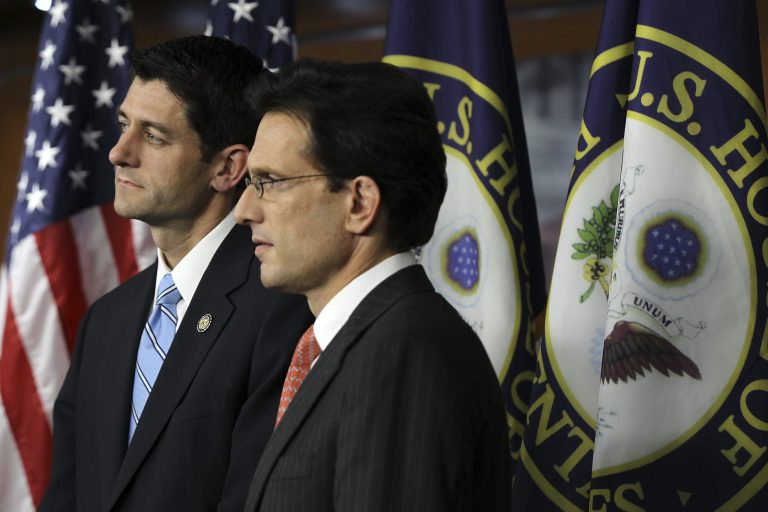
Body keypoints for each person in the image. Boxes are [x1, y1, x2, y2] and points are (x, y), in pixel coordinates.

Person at [39, 36, 312, 512]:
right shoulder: (106, 320)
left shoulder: (283, 306)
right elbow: (67, 494)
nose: (118, 153)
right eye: (123, 125)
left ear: (228, 168)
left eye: (153, 136)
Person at [235, 59, 511, 512]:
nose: (244, 209)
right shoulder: (360, 341)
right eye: (250, 182)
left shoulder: (401, 351)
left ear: (359, 202)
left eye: (270, 182)